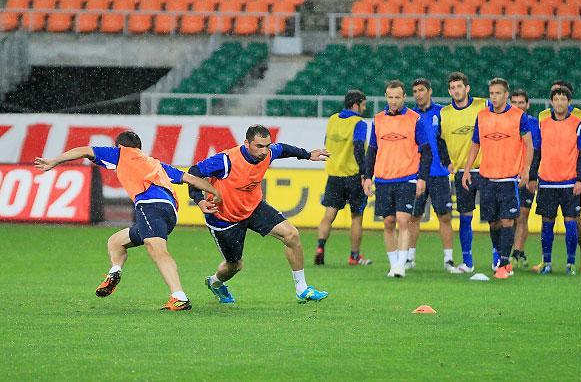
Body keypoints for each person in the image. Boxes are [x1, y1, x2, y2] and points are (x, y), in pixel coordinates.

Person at [33, 130, 221, 311]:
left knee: (157, 250)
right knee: (115, 242)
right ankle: (114, 271)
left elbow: (84, 150)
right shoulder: (156, 164)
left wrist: (54, 161)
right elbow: (191, 179)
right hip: (169, 212)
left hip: (150, 206)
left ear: (119, 146)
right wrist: (213, 193)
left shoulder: (121, 153)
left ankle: (179, 297)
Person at [188, 124, 330, 304]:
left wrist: (307, 155)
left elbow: (283, 149)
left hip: (254, 207)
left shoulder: (268, 153)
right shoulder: (226, 160)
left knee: (292, 235)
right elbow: (194, 173)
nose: (264, 151)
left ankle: (302, 289)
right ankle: (215, 283)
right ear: (246, 143)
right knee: (234, 265)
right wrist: (199, 200)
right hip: (224, 218)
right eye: (259, 146)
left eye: (267, 146)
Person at [462, 78, 533, 279]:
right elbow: (475, 144)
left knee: (507, 220)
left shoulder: (518, 116)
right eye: (491, 93)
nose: (494, 97)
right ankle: (502, 258)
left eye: (498, 93)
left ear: (506, 95)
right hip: (486, 177)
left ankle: (503, 263)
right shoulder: (482, 116)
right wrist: (467, 169)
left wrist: (526, 170)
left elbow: (528, 144)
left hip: (508, 178)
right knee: (493, 223)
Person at [363, 80, 431, 278]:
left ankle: (401, 265)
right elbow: (372, 151)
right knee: (388, 222)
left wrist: (422, 178)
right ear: (386, 97)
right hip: (383, 179)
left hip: (407, 177)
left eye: (397, 97)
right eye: (390, 97)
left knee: (403, 220)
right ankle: (393, 265)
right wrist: (367, 177)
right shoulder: (378, 120)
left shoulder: (415, 119)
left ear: (404, 97)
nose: (393, 101)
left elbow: (426, 151)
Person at [532, 80, 581, 273]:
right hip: (547, 182)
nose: (559, 102)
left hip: (569, 182)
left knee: (571, 221)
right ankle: (547, 263)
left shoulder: (579, 120)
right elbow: (537, 151)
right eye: (556, 99)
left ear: (569, 101)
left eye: (563, 99)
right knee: (547, 224)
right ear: (551, 101)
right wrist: (533, 176)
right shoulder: (542, 120)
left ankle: (571, 263)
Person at [314, 90, 372, 266]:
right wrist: (365, 174)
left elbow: (326, 143)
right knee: (356, 216)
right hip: (353, 175)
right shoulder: (359, 123)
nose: (364, 108)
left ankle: (320, 247)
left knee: (329, 215)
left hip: (334, 175)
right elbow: (358, 149)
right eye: (363, 105)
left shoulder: (332, 119)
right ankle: (354, 256)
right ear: (355, 105)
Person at [408, 79, 459, 273]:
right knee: (414, 216)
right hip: (417, 174)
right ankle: (409, 258)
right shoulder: (411, 116)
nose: (418, 94)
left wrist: (450, 161)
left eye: (421, 90)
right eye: (415, 91)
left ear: (429, 91)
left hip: (439, 173)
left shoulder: (442, 112)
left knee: (444, 216)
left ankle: (448, 259)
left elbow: (448, 139)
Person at [439, 72, 488, 273]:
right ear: (449, 91)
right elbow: (440, 140)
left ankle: (499, 261)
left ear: (467, 88)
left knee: (494, 219)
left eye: (459, 86)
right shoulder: (444, 113)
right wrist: (446, 162)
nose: (456, 90)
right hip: (461, 173)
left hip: (485, 170)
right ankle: (467, 262)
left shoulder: (483, 105)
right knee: (465, 218)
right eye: (452, 88)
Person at [509, 89, 541, 268]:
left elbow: (536, 151)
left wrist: (532, 176)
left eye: (521, 102)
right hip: (507, 174)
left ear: (527, 105)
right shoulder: (504, 121)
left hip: (526, 175)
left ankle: (516, 253)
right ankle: (517, 252)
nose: (518, 106)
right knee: (509, 217)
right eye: (514, 102)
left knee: (522, 215)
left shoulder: (534, 124)